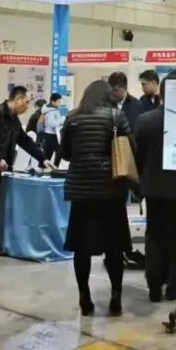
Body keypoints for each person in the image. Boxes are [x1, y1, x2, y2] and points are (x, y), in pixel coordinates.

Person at [60, 79, 133, 316]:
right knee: (114, 248)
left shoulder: (72, 118)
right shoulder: (116, 117)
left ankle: (84, 298)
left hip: (81, 192)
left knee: (81, 248)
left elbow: (65, 153)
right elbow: (129, 148)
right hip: (110, 191)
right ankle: (116, 297)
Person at [134, 69, 176, 303]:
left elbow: (137, 156)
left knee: (154, 236)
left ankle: (154, 286)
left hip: (154, 189)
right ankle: (175, 287)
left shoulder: (145, 120)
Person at [0, 86, 49, 262]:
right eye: (26, 102)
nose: (27, 106)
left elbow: (25, 141)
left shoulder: (14, 121)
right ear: (17, 99)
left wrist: (42, 158)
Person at [108, 71, 146, 268]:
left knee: (123, 207)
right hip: (110, 163)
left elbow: (138, 134)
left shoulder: (136, 106)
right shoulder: (107, 105)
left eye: (116, 90)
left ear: (123, 88)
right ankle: (115, 250)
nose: (114, 93)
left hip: (129, 162)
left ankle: (124, 248)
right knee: (114, 208)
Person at [37, 93, 65, 166]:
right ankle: (44, 168)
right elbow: (52, 124)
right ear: (53, 102)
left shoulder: (54, 110)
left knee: (57, 153)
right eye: (58, 101)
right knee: (48, 154)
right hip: (50, 135)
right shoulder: (50, 111)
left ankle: (53, 167)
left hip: (54, 135)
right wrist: (62, 119)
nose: (60, 103)